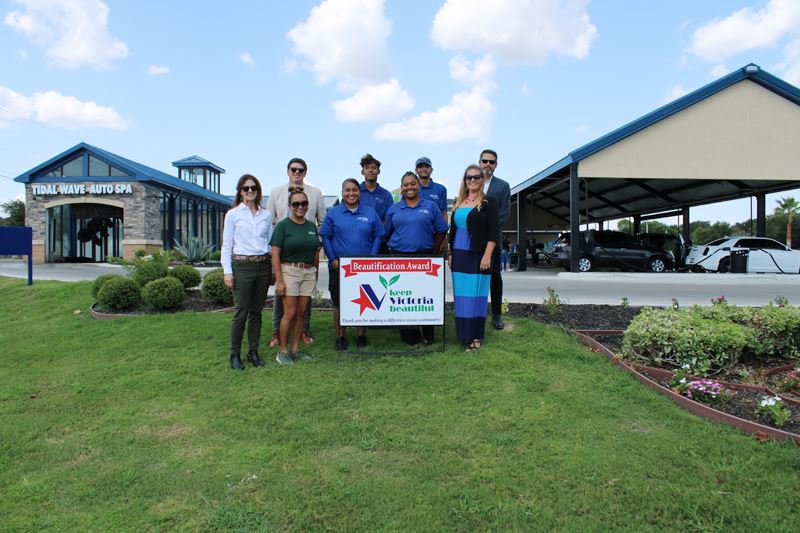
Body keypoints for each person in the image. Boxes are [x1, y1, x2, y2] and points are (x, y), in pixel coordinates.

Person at [266, 157, 326, 347]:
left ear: (305, 172)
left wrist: (316, 244)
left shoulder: (315, 194)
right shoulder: (276, 193)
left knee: (303, 303)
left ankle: (303, 332)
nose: (297, 172)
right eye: (294, 169)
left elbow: (322, 221)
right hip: (284, 254)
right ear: (288, 171)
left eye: (301, 170)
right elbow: (269, 222)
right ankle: (277, 334)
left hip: (307, 251)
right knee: (281, 298)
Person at [384, 171, 449, 344]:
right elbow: (386, 232)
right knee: (404, 298)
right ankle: (410, 337)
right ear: (402, 187)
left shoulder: (430, 206)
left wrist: (434, 249)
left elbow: (442, 229)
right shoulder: (394, 208)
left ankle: (428, 335)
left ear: (419, 186)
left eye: (413, 183)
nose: (409, 187)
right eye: (406, 184)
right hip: (400, 258)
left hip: (425, 258)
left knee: (425, 298)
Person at [320, 178, 384, 350]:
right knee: (340, 303)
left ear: (359, 192)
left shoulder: (370, 212)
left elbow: (379, 235)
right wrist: (333, 259)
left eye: (355, 190)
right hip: (339, 266)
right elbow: (325, 236)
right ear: (342, 192)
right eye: (347, 190)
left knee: (363, 301)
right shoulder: (333, 213)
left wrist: (371, 257)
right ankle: (340, 336)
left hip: (363, 267)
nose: (351, 193)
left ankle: (361, 335)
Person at [220, 174, 273, 371]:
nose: (250, 191)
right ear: (240, 192)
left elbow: (269, 244)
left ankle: (253, 351)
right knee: (241, 313)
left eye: (253, 188)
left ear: (258, 191)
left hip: (262, 266)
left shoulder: (266, 215)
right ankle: (234, 354)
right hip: (242, 267)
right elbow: (227, 245)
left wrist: (272, 268)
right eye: (246, 188)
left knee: (256, 313)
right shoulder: (233, 214)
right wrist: (228, 272)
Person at [448, 165, 498, 351]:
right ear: (464, 180)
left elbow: (494, 232)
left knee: (476, 296)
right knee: (462, 297)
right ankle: (463, 335)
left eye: (477, 177)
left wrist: (487, 255)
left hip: (478, 255)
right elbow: (452, 230)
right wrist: (451, 253)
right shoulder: (458, 202)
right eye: (469, 177)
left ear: (483, 179)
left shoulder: (488, 202)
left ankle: (475, 335)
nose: (473, 180)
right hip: (459, 255)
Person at [270, 190, 321, 365]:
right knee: (289, 313)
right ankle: (283, 352)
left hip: (308, 272)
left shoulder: (311, 226)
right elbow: (275, 254)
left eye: (304, 203)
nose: (300, 207)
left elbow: (315, 252)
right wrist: (279, 279)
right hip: (289, 271)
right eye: (296, 204)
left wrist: (315, 272)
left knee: (301, 313)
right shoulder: (283, 226)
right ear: (290, 206)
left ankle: (295, 349)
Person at [479, 149, 511, 330]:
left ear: (496, 165)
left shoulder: (502, 186)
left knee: (494, 277)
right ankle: (475, 312)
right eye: (485, 161)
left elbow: (503, 214)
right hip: (473, 240)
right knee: (475, 276)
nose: (488, 165)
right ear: (480, 162)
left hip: (493, 240)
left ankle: (497, 315)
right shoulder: (472, 182)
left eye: (492, 162)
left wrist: (488, 232)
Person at [358, 153, 394, 223]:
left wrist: (379, 232)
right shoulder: (354, 192)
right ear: (362, 172)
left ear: (379, 171)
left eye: (374, 167)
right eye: (367, 167)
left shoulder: (386, 195)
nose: (370, 170)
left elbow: (389, 219)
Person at [415, 156, 448, 223]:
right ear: (416, 170)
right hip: (414, 231)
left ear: (431, 170)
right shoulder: (410, 189)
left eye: (427, 166)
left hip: (434, 232)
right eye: (420, 167)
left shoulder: (441, 189)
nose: (424, 169)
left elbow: (444, 213)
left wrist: (443, 231)